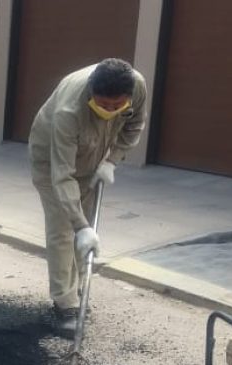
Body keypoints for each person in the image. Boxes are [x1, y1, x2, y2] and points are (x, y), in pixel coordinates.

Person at [28, 59, 148, 338]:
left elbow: (135, 125)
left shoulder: (137, 86)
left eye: (115, 106)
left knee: (86, 225)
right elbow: (62, 176)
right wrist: (80, 226)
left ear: (127, 97)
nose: (108, 111)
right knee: (63, 228)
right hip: (52, 162)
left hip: (95, 157)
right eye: (102, 105)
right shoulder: (68, 112)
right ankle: (65, 304)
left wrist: (112, 161)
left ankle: (80, 287)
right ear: (91, 92)